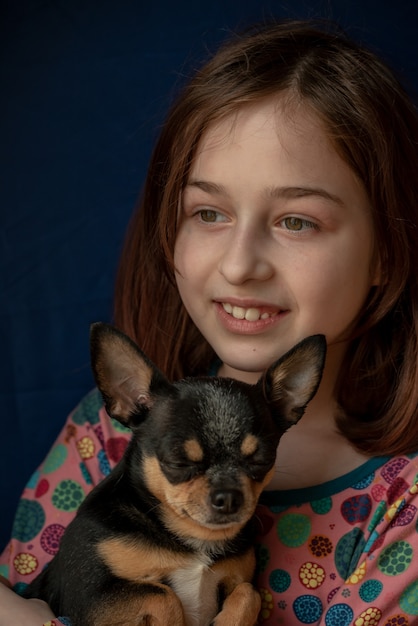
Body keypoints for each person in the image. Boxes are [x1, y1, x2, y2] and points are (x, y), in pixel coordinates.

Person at [2, 18, 418, 626]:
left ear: (388, 250)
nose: (240, 264)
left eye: (296, 221)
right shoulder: (104, 433)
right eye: (208, 212)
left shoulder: (400, 506)